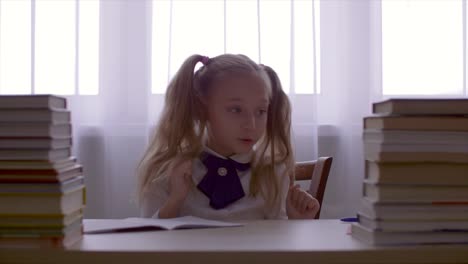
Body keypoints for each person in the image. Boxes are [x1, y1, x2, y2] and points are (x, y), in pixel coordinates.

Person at [137, 54, 320, 221]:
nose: (251, 124)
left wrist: (297, 222)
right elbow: (147, 243)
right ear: (201, 110)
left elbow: (278, 246)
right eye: (236, 110)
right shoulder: (167, 169)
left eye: (261, 111)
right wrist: (175, 200)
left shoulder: (274, 173)